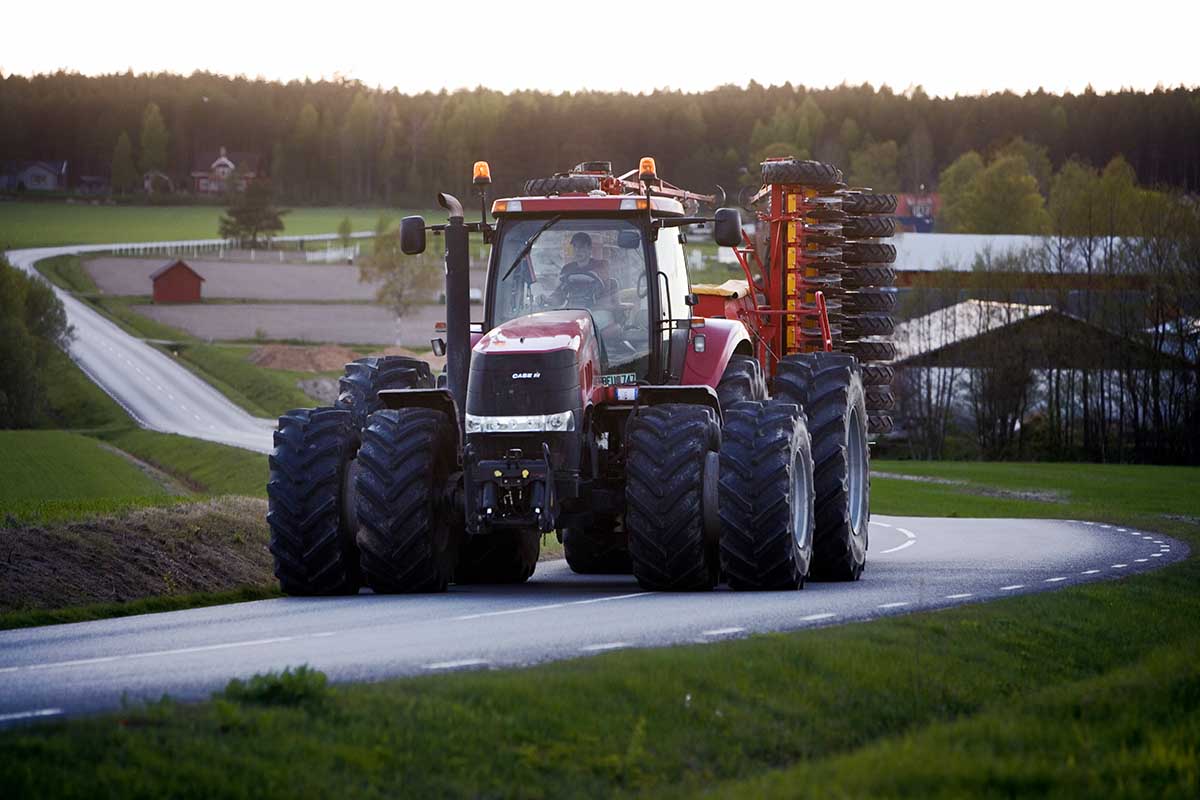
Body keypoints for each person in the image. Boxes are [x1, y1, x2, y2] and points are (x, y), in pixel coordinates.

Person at [546, 232, 615, 307]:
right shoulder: (567, 269)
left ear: (589, 249)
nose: (577, 250)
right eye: (575, 247)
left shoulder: (601, 265)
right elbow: (559, 294)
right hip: (573, 311)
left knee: (604, 317)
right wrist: (548, 300)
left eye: (581, 247)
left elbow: (604, 286)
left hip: (596, 310)